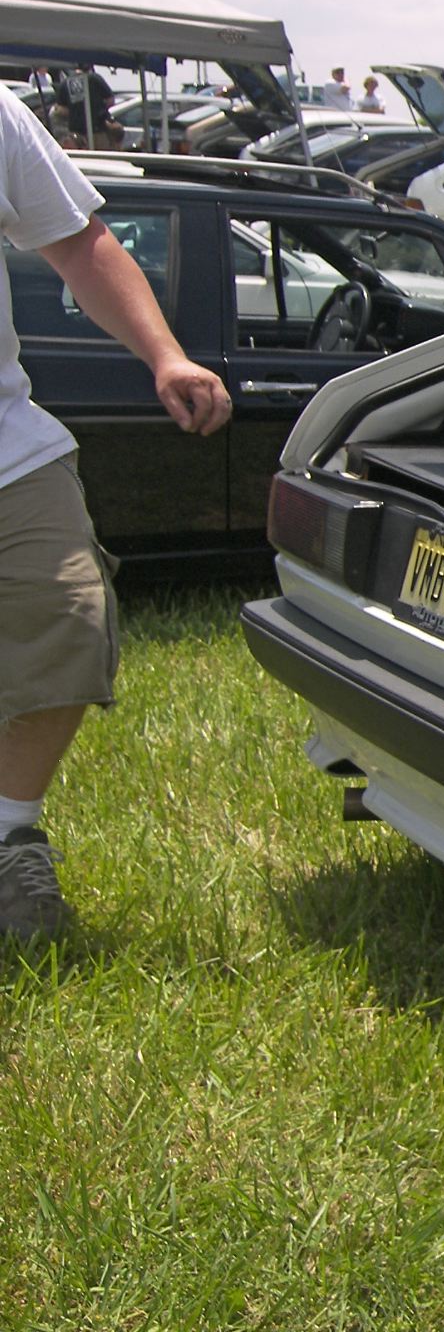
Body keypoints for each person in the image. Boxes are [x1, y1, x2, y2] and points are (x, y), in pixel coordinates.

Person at [0, 87, 231, 941]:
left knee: (71, 614)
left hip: (8, 446)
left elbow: (77, 240)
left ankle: (7, 837)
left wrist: (165, 357)